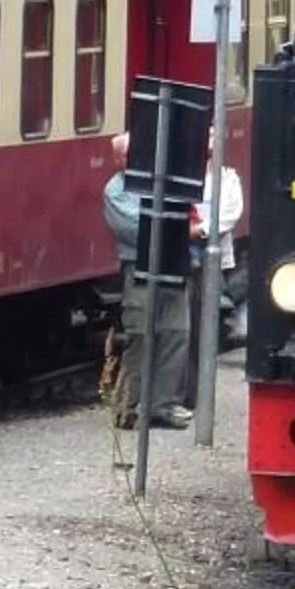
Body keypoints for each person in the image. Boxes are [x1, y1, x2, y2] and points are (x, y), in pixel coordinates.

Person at [103, 132, 194, 431]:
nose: (130, 159)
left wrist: (173, 225)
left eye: (134, 153)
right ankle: (126, 405)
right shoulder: (115, 190)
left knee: (176, 333)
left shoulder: (165, 183)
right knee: (140, 336)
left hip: (175, 266)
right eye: (124, 155)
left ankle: (162, 405)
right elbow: (136, 228)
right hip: (139, 269)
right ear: (117, 160)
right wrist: (176, 226)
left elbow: (186, 215)